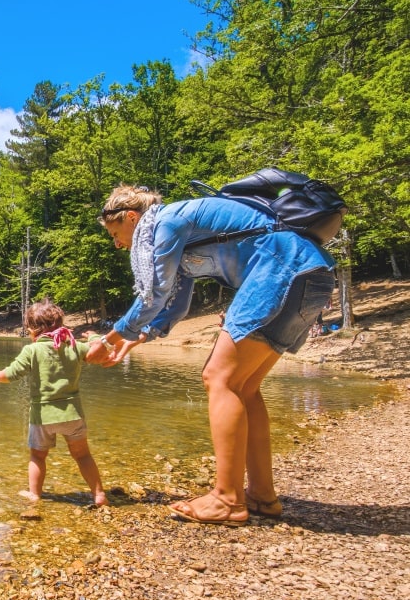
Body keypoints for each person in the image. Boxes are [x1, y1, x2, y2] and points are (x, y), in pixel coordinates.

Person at [86, 183, 335, 526]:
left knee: (219, 378)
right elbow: (175, 301)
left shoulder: (166, 223)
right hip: (310, 275)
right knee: (243, 387)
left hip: (281, 270)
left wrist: (109, 338)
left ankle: (227, 500)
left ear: (131, 217)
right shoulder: (176, 230)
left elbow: (151, 296)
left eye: (116, 233)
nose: (117, 243)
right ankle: (262, 495)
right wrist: (136, 338)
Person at [0, 298, 108, 507]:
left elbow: (12, 374)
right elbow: (99, 353)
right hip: (72, 414)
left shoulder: (32, 350)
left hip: (43, 417)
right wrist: (95, 336)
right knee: (83, 455)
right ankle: (99, 495)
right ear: (60, 322)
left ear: (32, 328)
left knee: (38, 457)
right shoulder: (74, 346)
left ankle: (35, 496)